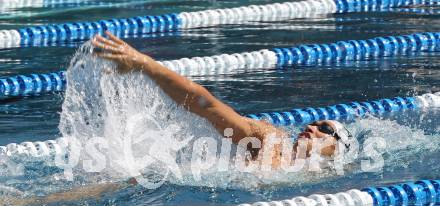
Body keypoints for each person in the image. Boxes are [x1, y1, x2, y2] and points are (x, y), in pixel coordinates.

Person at [91, 31, 353, 169]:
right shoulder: (268, 140)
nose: (312, 127)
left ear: (338, 150)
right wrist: (146, 65)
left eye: (325, 129)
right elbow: (207, 106)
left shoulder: (323, 182)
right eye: (316, 123)